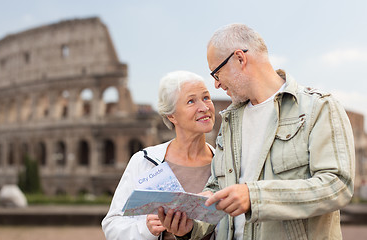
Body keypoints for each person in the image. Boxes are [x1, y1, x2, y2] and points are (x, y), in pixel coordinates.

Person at [158, 23, 355, 240]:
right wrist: (190, 226)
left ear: (240, 59)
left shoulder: (319, 108)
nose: (216, 84)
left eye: (216, 72)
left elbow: (337, 185)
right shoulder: (230, 122)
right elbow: (217, 190)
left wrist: (255, 197)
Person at [101, 70, 216, 240]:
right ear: (172, 116)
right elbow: (112, 225)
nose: (204, 107)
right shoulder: (144, 161)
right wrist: (146, 229)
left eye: (206, 97)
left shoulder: (224, 163)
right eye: (191, 101)